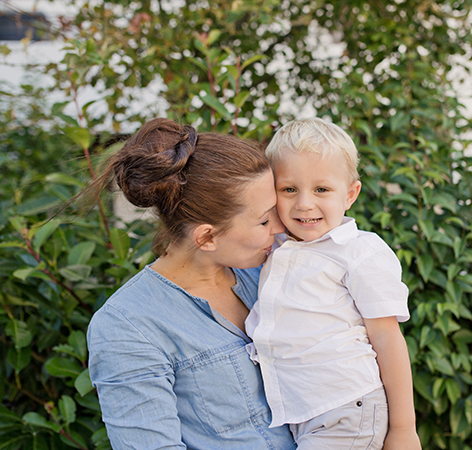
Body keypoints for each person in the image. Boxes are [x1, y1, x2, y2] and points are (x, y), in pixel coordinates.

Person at [86, 118, 295, 450]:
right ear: (207, 237)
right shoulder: (128, 326)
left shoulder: (271, 275)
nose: (281, 226)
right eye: (264, 219)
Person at [245, 118, 422, 450]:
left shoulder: (358, 252)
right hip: (299, 413)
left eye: (322, 189)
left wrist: (403, 429)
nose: (304, 204)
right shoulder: (277, 245)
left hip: (346, 408)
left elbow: (387, 339)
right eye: (289, 189)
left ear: (350, 194)